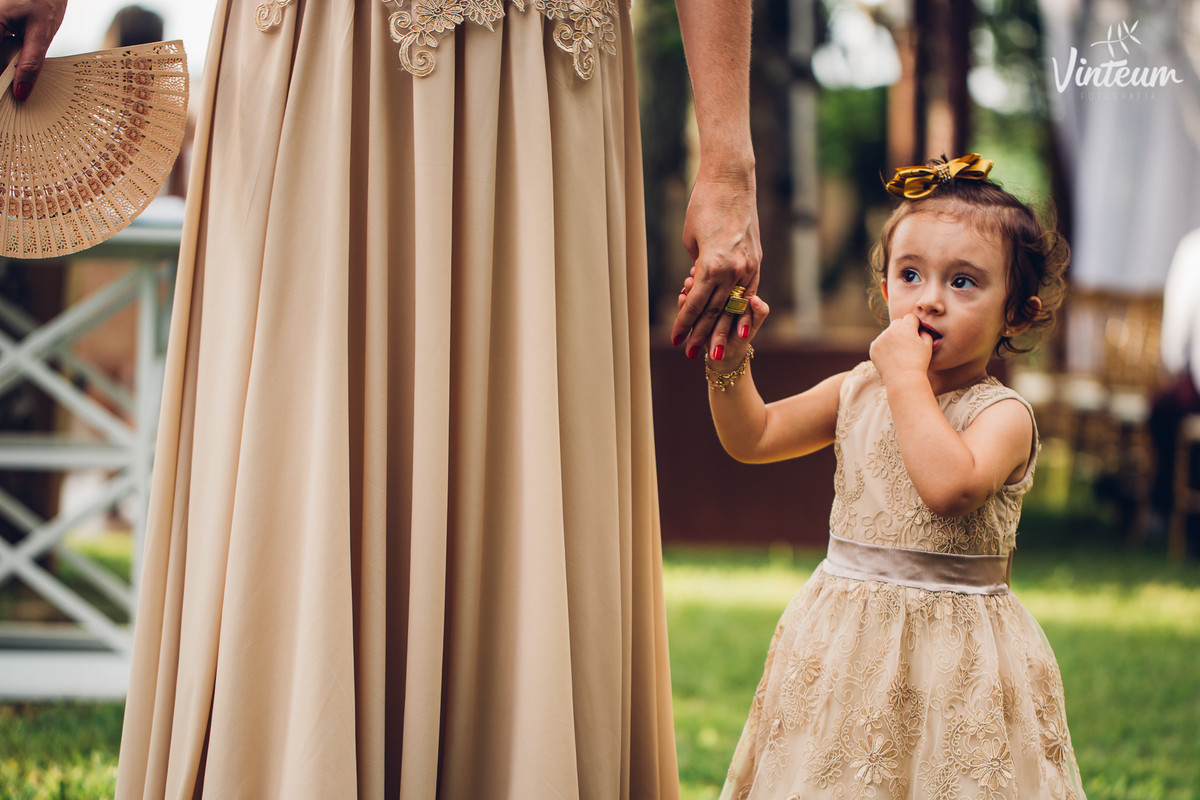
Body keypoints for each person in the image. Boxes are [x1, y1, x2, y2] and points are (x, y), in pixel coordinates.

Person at [28, 2, 755, 800]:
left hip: (533, 70)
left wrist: (728, 154)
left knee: (523, 458)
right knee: (298, 438)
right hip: (320, 58)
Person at [689, 154, 1087, 798]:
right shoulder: (860, 389)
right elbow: (754, 436)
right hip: (846, 646)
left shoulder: (1003, 415)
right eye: (910, 274)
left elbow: (949, 488)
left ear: (1017, 313)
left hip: (954, 661)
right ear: (885, 288)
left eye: (963, 283)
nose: (929, 298)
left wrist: (905, 377)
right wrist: (728, 362)